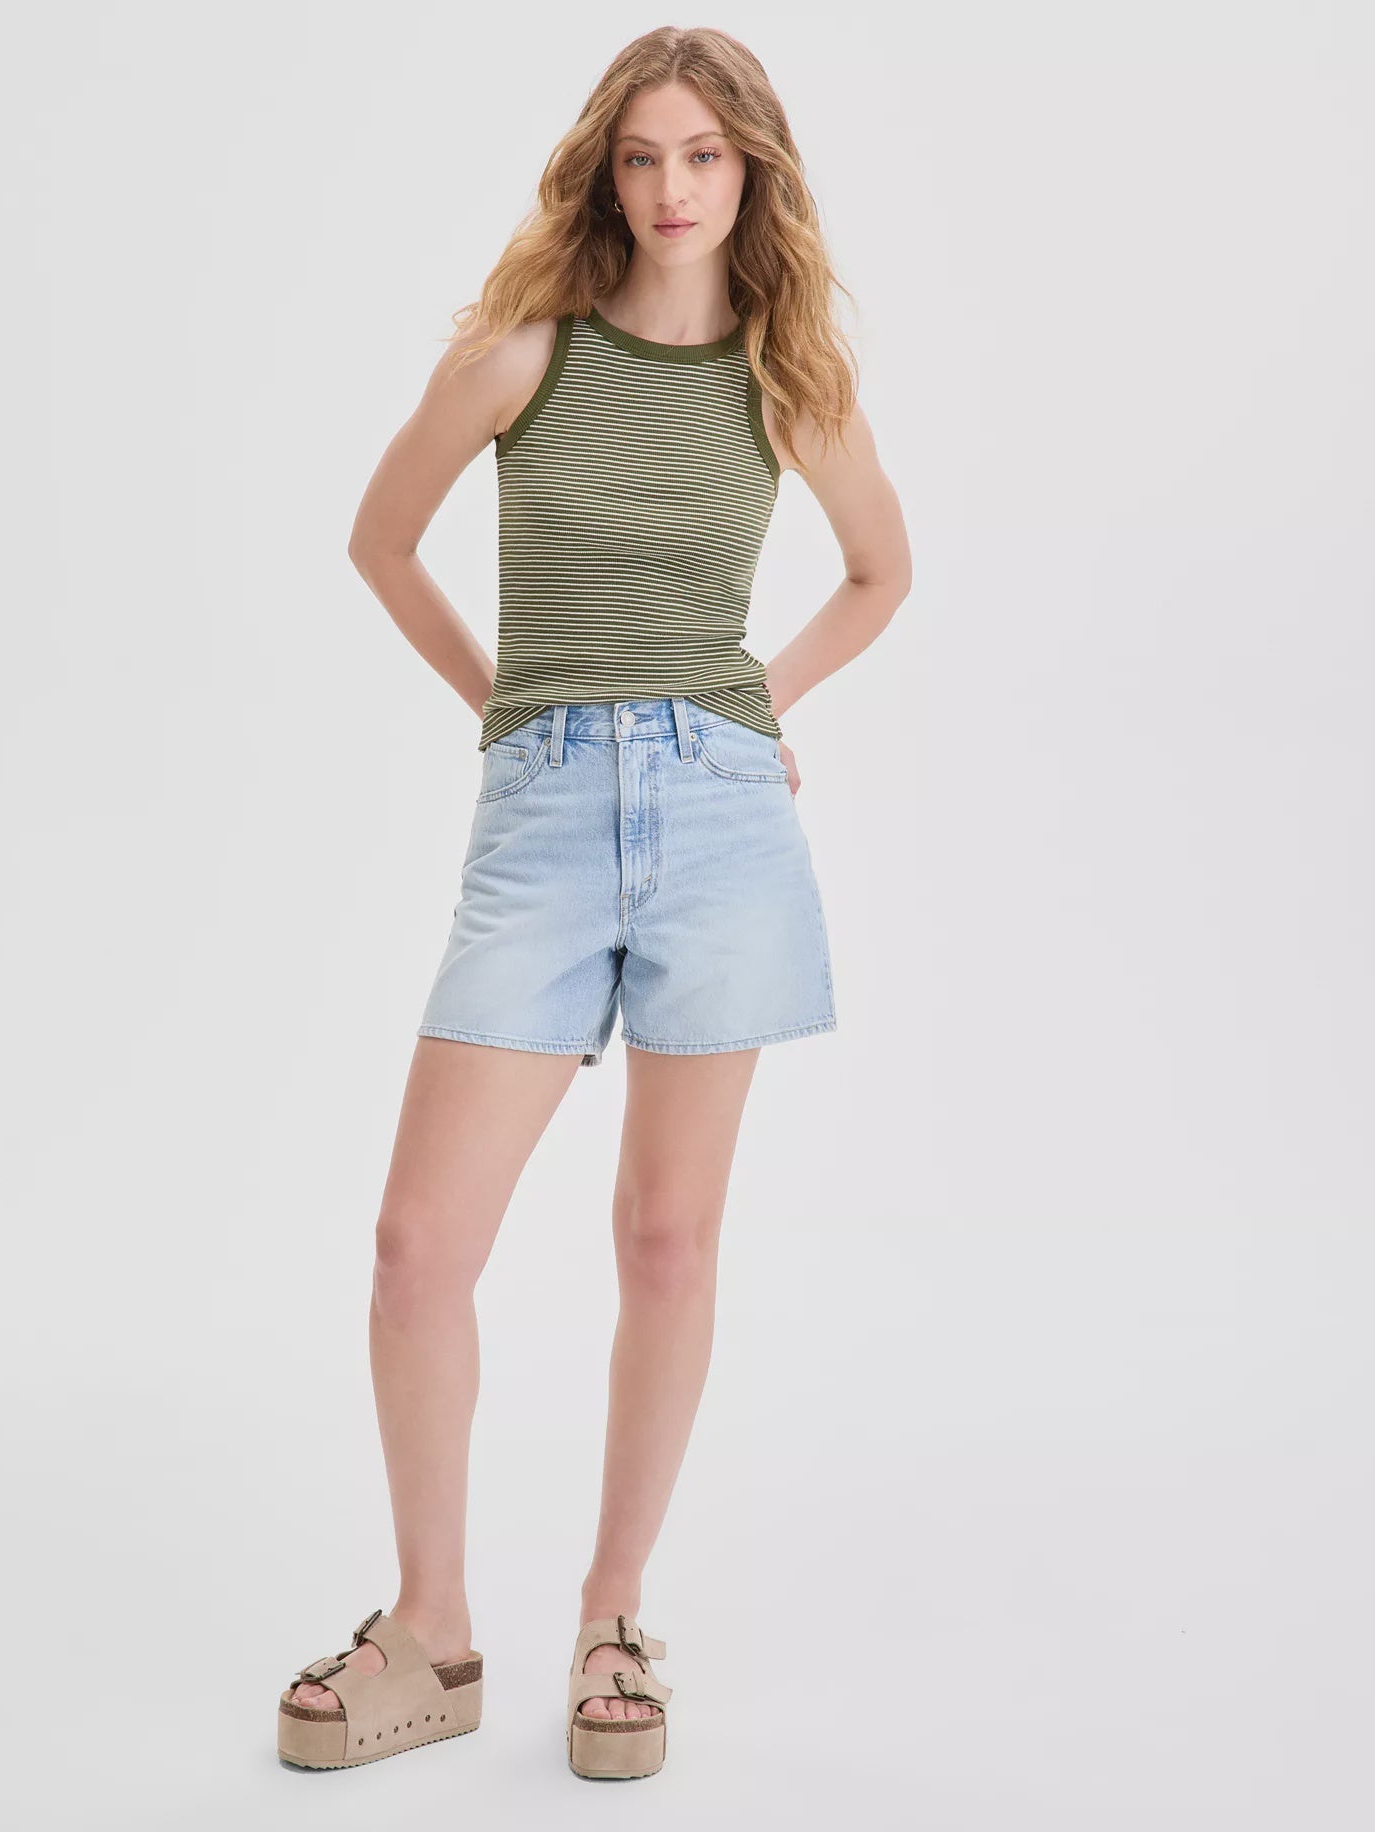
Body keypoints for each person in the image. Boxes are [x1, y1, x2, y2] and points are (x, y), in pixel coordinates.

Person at [275, 25, 911, 1781]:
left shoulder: (788, 382)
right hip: (544, 811)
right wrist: (511, 707)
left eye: (702, 156)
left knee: (666, 1241)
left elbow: (882, 571)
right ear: (604, 173)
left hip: (719, 816)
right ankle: (432, 1632)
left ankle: (613, 1615)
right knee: (420, 1247)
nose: (670, 188)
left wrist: (760, 703)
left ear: (751, 171)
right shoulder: (522, 353)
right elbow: (379, 539)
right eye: (642, 157)